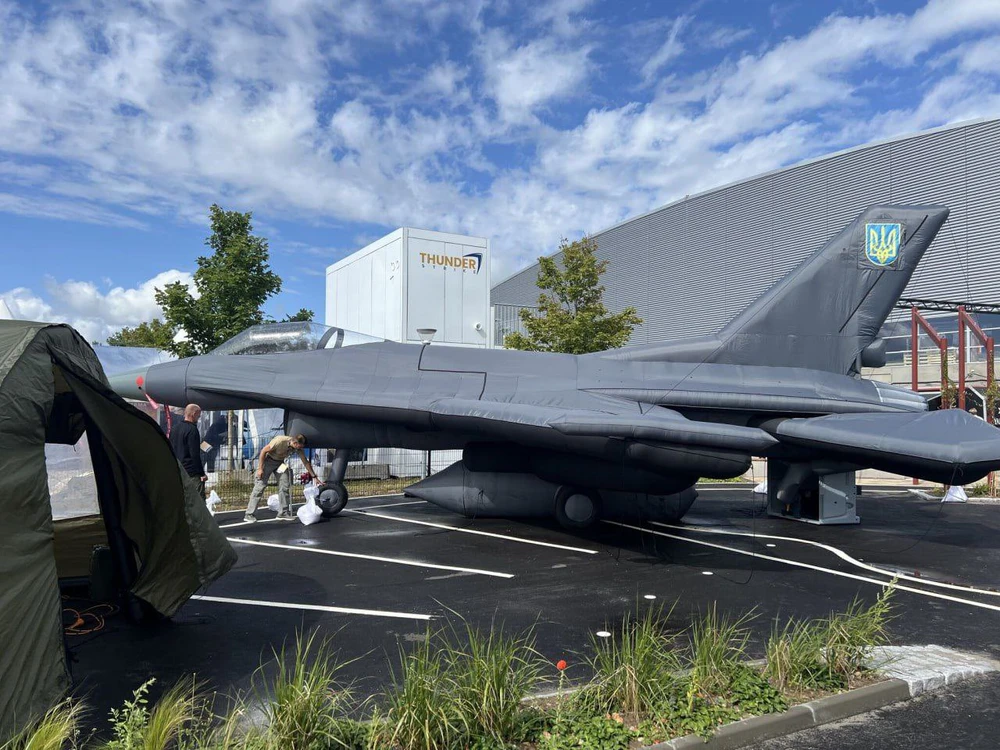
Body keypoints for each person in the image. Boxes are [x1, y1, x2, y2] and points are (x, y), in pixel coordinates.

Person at [245, 433, 321, 522]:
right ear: (295, 443)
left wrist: (314, 476)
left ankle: (283, 513)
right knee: (260, 486)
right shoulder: (280, 441)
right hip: (268, 461)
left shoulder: (298, 448)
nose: (300, 449)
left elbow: (305, 462)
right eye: (300, 447)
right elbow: (263, 451)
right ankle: (249, 514)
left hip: (280, 464)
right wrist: (260, 469)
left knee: (285, 486)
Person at [168, 404, 207, 498]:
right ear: (193, 413)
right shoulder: (192, 430)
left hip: (178, 470)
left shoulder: (174, 429)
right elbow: (194, 454)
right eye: (198, 415)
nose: (199, 417)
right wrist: (201, 473)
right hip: (191, 472)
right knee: (197, 501)